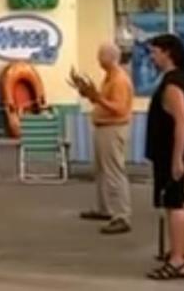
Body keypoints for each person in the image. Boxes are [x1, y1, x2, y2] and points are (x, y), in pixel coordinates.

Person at [145, 34, 184, 280]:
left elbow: (181, 122)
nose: (152, 57)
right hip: (173, 150)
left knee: (173, 203)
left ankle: (177, 260)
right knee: (179, 200)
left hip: (171, 151)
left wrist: (177, 158)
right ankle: (182, 252)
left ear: (167, 53)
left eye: (155, 52)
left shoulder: (173, 83)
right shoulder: (175, 80)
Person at [73, 43, 134, 235]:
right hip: (103, 127)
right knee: (101, 171)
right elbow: (103, 101)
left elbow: (119, 108)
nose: (98, 59)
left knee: (114, 171)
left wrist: (97, 98)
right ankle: (105, 208)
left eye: (100, 56)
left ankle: (122, 215)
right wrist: (89, 94)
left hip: (113, 128)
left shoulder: (119, 80)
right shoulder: (109, 78)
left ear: (110, 57)